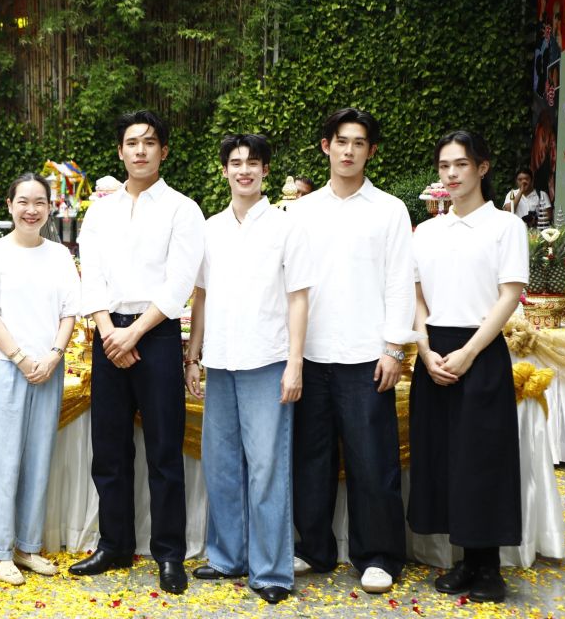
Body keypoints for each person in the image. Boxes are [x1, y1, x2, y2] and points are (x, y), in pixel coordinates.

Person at [69, 110, 203, 595]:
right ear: (121, 151)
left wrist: (135, 334)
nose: (140, 150)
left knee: (165, 450)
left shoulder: (182, 209)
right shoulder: (100, 211)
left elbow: (179, 282)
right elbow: (91, 273)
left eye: (149, 142)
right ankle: (115, 545)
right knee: (109, 449)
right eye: (132, 142)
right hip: (108, 332)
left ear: (163, 151)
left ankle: (169, 554)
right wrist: (110, 332)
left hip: (158, 333)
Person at [288, 108, 414, 594]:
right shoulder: (301, 212)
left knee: (372, 461)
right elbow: (290, 286)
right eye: (341, 141)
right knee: (311, 458)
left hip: (367, 356)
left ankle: (378, 555)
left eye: (359, 143)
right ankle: (313, 548)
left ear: (371, 151)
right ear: (326, 146)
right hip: (311, 355)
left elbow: (399, 283)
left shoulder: (389, 210)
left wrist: (393, 348)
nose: (348, 151)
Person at [185, 134, 312, 604]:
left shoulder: (286, 226)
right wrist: (193, 355)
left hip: (268, 359)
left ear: (265, 171)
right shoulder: (210, 228)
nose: (244, 170)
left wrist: (295, 363)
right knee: (221, 465)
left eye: (252, 163)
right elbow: (200, 295)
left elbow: (299, 298)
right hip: (220, 361)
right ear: (224, 171)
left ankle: (272, 570)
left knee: (266, 467)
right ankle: (227, 557)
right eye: (235, 163)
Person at [410, 130, 527, 603]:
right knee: (443, 458)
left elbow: (509, 295)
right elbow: (416, 295)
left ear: (482, 167)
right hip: (434, 352)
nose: (452, 174)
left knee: (483, 459)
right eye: (444, 166)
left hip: (481, 349)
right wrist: (424, 350)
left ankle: (489, 567)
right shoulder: (427, 231)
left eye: (461, 164)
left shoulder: (505, 226)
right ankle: (464, 560)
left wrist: (470, 352)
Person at [0, 173, 80, 586]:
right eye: (23, 202)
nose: (31, 210)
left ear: (50, 208)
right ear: (10, 205)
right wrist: (20, 357)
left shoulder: (60, 256)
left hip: (48, 368)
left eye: (39, 202)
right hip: (6, 366)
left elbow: (70, 311)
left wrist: (53, 356)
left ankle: (27, 546)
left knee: (38, 457)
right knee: (3, 459)